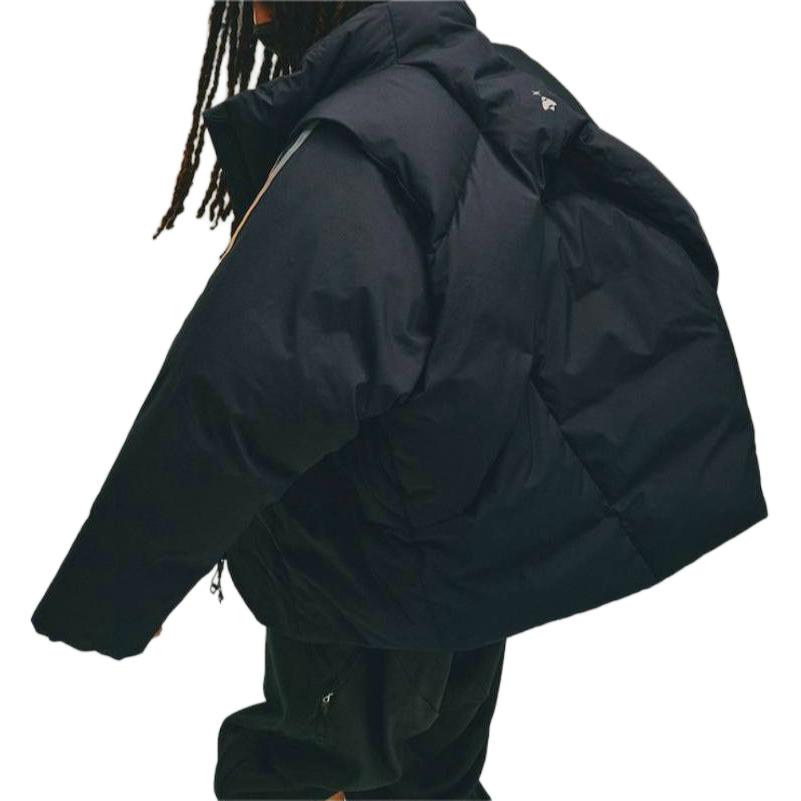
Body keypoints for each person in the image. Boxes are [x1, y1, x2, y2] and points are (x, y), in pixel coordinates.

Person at [31, 2, 767, 800]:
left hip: (367, 577)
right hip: (466, 571)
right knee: (432, 780)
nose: (256, 13)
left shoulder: (360, 153)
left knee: (299, 777)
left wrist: (115, 592)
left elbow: (237, 395)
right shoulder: (495, 86)